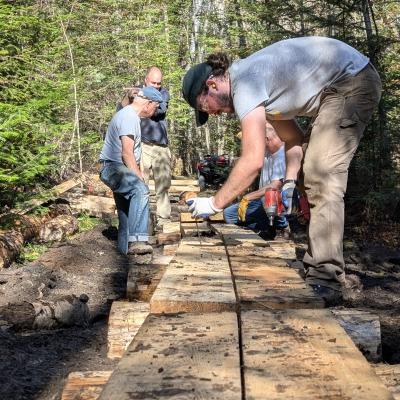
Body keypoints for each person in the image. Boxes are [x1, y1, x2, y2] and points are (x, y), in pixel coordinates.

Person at [181, 36, 382, 304]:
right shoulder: (264, 92)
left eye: (206, 107)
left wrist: (215, 204)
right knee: (311, 166)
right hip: (337, 87)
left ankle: (326, 277)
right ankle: (321, 265)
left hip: (351, 82)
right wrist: (289, 181)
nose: (213, 114)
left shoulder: (246, 83)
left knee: (322, 172)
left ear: (212, 85)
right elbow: (293, 139)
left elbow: (252, 160)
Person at [99, 86, 163, 256]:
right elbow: (127, 152)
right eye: (156, 107)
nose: (155, 112)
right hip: (114, 168)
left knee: (126, 218)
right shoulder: (129, 117)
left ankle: (124, 261)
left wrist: (137, 172)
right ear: (148, 103)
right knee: (140, 191)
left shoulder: (128, 115)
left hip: (115, 168)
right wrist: (139, 177)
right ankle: (138, 241)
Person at [118, 67, 171, 227]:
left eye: (158, 83)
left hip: (161, 146)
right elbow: (122, 110)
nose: (156, 86)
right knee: (141, 183)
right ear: (146, 80)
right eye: (153, 82)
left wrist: (142, 99)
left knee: (163, 185)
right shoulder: (135, 92)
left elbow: (159, 111)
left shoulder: (164, 93)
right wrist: (129, 97)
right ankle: (144, 222)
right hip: (142, 144)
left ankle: (164, 220)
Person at [223, 122, 288, 237]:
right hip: (262, 202)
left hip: (278, 202)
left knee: (270, 196)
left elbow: (275, 186)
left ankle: (283, 225)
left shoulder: (283, 155)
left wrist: (248, 197)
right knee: (229, 214)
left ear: (266, 139)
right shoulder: (267, 152)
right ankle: (265, 230)